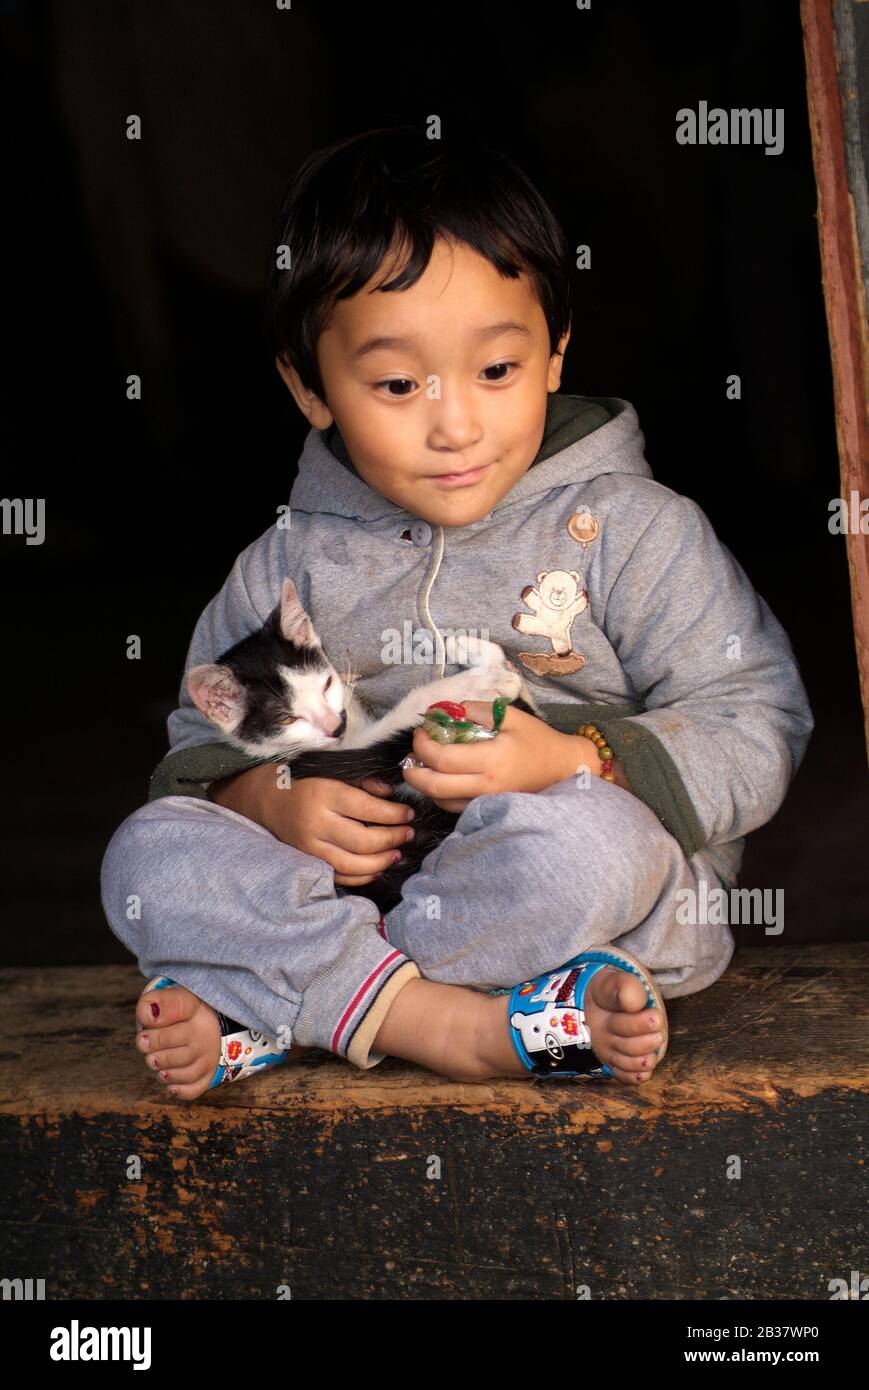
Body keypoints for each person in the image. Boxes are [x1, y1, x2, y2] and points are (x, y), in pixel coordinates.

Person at [100, 126, 813, 1099]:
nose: (454, 424)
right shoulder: (298, 563)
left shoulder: (630, 532)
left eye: (495, 371)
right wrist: (273, 801)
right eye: (396, 385)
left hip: (546, 886)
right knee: (150, 851)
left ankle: (290, 1003)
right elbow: (209, 746)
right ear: (310, 386)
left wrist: (574, 759)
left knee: (583, 850)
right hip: (361, 890)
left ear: (555, 350)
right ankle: (483, 1027)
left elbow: (753, 719)